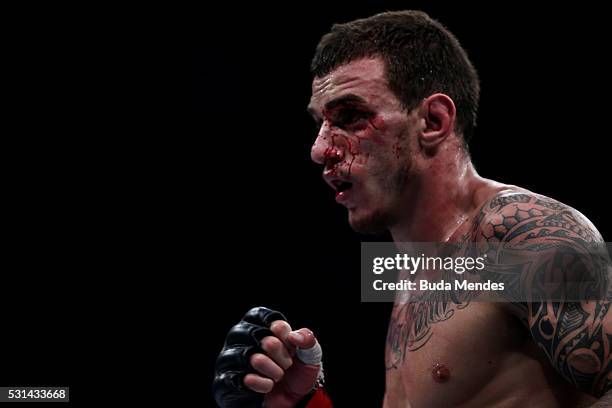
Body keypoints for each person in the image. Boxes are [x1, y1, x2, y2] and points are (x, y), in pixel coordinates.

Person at [213, 10, 612, 407]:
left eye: (350, 117)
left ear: (433, 120)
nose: (320, 150)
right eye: (320, 124)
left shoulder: (522, 235)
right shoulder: (406, 269)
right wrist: (305, 402)